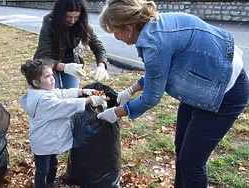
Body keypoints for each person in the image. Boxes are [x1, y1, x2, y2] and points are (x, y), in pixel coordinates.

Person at [97, 0, 249, 187]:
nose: (116, 37)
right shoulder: (155, 24)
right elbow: (162, 71)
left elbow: (150, 99)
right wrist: (131, 89)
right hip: (204, 82)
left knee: (191, 162)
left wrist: (116, 112)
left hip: (226, 91)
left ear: (128, 28)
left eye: (115, 32)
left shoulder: (153, 42)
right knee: (181, 148)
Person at [19, 59, 105, 187]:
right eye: (47, 76)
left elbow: (61, 93)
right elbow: (64, 105)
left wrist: (81, 92)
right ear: (36, 82)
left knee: (53, 164)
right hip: (43, 142)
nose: (52, 78)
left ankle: (51, 182)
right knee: (42, 170)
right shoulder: (42, 100)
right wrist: (88, 100)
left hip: (50, 140)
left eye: (52, 74)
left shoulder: (41, 91)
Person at [33, 0, 110, 89]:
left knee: (72, 94)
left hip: (72, 63)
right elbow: (43, 57)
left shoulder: (82, 23)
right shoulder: (49, 22)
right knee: (53, 94)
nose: (72, 21)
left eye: (76, 17)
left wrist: (101, 66)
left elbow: (98, 46)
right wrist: (65, 67)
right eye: (68, 17)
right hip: (49, 64)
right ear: (60, 14)